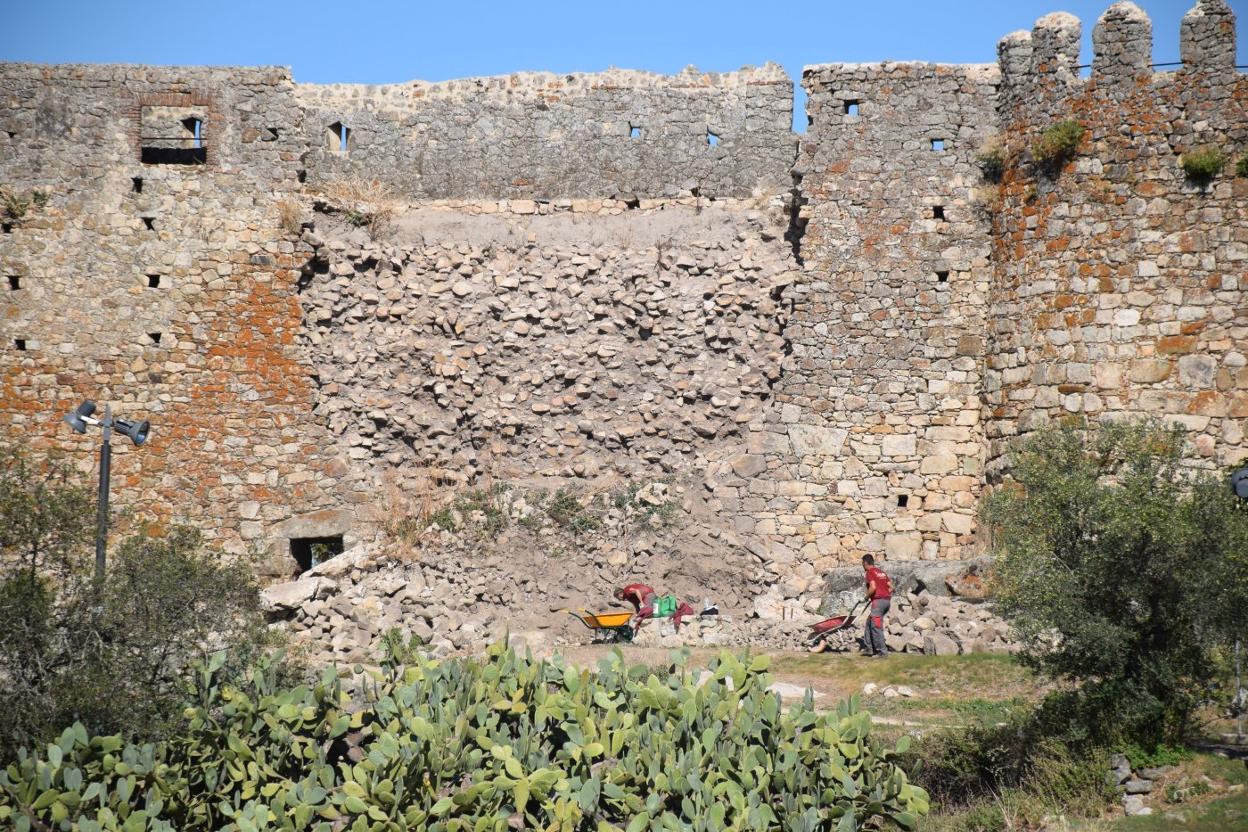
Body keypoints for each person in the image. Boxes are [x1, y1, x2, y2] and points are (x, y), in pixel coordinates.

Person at [862, 554, 893, 658]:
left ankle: (882, 652)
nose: (863, 565)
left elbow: (873, 587)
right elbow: (891, 587)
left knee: (876, 626)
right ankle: (869, 648)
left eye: (863, 563)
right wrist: (884, 595)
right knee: (869, 622)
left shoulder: (870, 572)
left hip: (878, 602)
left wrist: (867, 597)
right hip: (886, 602)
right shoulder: (881, 572)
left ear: (865, 563)